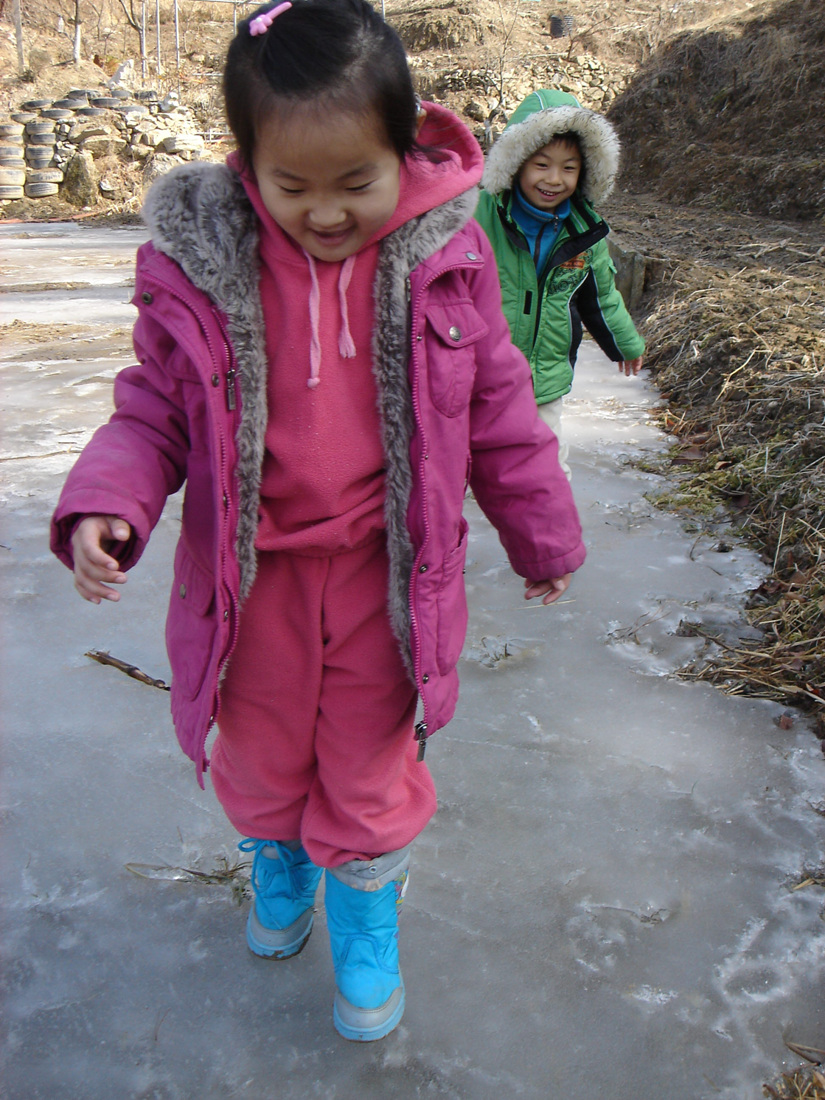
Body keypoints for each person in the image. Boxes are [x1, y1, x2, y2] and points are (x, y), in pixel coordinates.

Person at [50, 0, 586, 1043]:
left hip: (388, 576)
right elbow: (153, 405)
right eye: (293, 186)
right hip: (249, 582)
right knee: (255, 750)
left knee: (370, 757)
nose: (328, 212)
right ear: (246, 165)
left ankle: (367, 903)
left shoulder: (444, 258)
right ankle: (281, 856)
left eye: (357, 181)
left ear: (405, 148)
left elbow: (501, 411)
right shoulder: (206, 270)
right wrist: (108, 502)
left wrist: (543, 532)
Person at [475, 89, 645, 478]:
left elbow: (600, 295)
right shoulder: (479, 215)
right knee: (458, 469)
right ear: (516, 163)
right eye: (541, 165)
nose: (554, 179)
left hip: (543, 379)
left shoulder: (583, 231)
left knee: (547, 472)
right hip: (476, 377)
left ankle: (549, 534)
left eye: (569, 168)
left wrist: (625, 343)